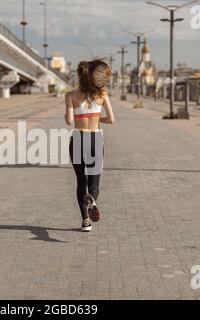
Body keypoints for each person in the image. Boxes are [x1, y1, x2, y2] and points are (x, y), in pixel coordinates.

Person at [65, 59, 115, 232]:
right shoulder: (102, 95)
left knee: (81, 181)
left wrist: (76, 115)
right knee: (94, 182)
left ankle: (86, 221)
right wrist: (96, 118)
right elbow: (111, 119)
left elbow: (69, 120)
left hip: (78, 139)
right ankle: (92, 200)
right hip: (95, 139)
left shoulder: (71, 96)